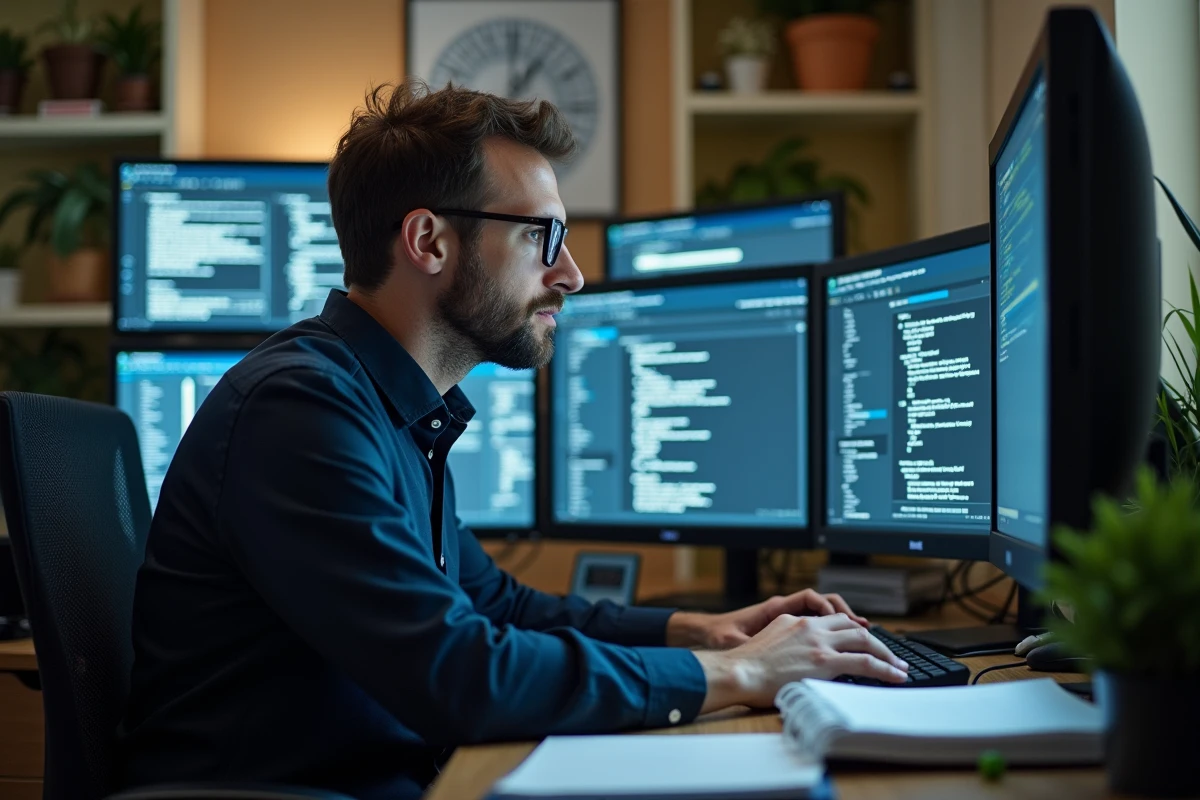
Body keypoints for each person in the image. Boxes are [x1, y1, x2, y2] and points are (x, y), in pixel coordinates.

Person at [116, 80, 908, 800]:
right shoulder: (299, 411)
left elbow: (496, 606)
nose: (571, 275)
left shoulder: (391, 409)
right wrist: (738, 672)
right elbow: (459, 675)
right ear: (428, 241)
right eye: (543, 237)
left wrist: (701, 630)